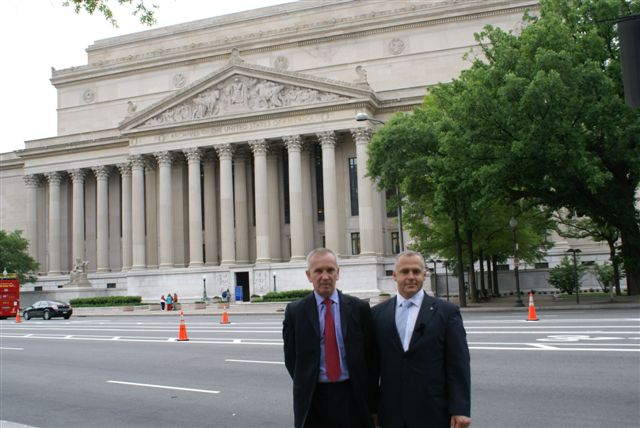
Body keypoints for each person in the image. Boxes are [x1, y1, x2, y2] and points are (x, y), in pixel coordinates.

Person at [371, 250, 471, 428]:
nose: (411, 277)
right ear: (394, 275)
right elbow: (372, 367)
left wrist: (460, 408)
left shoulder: (447, 312)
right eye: (405, 272)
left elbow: (458, 363)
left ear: (424, 275)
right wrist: (372, 408)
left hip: (433, 411)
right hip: (391, 413)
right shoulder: (378, 314)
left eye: (416, 272)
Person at [283, 248, 376, 428]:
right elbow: (291, 358)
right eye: (318, 271)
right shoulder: (295, 312)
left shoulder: (359, 309)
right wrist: (307, 381)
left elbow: (370, 357)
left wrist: (371, 401)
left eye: (330, 270)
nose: (325, 276)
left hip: (352, 396)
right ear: (309, 275)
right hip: (313, 398)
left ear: (338, 273)